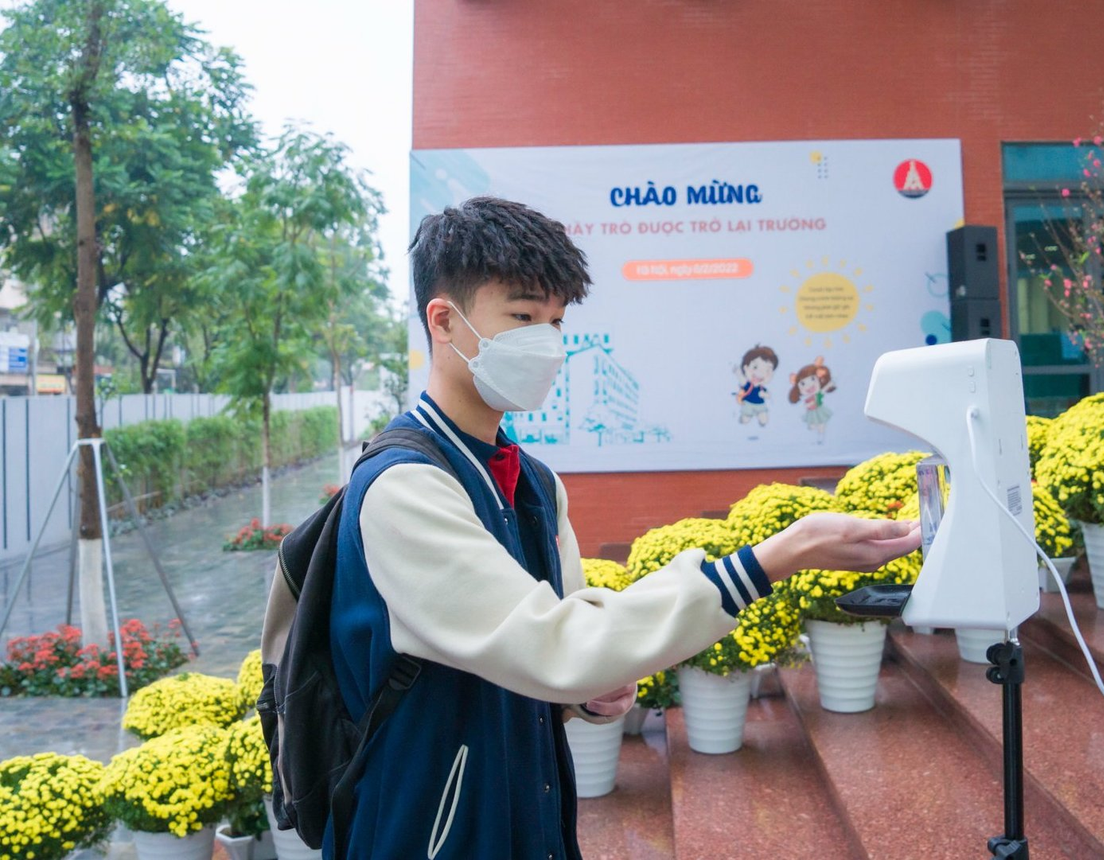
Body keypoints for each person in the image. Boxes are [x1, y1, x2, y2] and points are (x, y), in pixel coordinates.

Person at [328, 196, 920, 859]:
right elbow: (558, 646)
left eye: (556, 321)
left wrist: (592, 690)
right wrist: (782, 554)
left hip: (532, 821)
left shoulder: (535, 484)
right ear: (444, 320)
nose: (548, 342)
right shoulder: (405, 488)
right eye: (523, 317)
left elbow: (572, 641)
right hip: (429, 834)